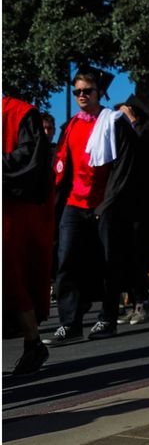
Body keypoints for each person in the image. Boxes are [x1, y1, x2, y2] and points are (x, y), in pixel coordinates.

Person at [47, 67, 137, 343]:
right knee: (67, 262)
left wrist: (107, 205)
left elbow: (124, 168)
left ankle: (107, 318)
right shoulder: (70, 125)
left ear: (100, 93)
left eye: (87, 91)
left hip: (105, 205)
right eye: (77, 92)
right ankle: (69, 323)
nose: (82, 96)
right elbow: (63, 168)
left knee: (108, 264)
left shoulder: (115, 122)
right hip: (75, 204)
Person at [3, 96, 54, 375]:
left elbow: (30, 160)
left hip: (14, 209)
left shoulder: (21, 114)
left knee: (11, 276)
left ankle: (33, 341)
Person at [118, 94, 149, 323]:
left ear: (133, 113)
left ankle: (141, 301)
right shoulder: (128, 134)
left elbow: (141, 161)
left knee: (137, 256)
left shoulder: (146, 135)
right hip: (127, 205)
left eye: (124, 111)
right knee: (127, 256)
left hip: (142, 206)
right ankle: (131, 302)